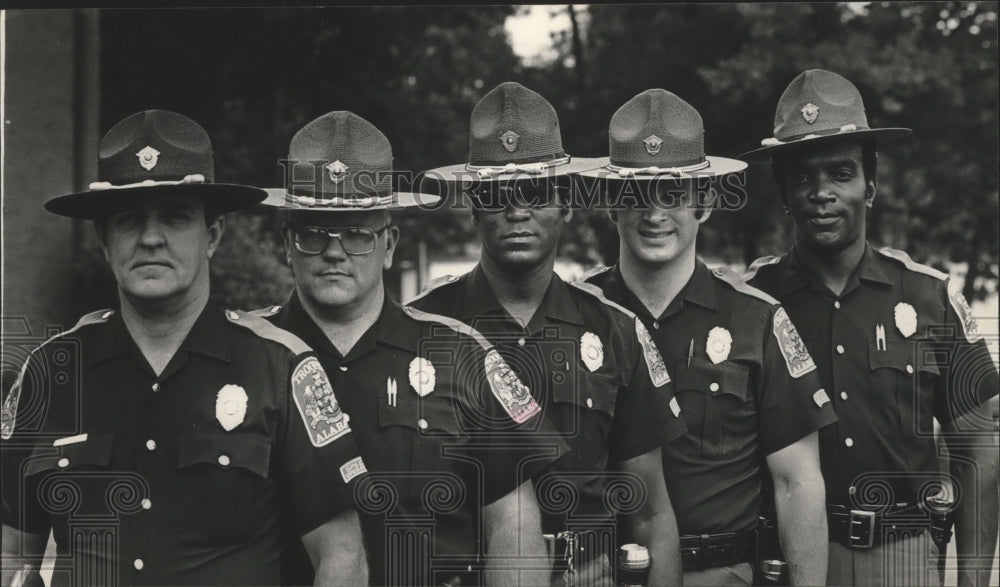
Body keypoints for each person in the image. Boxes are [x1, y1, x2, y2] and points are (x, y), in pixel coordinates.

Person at [0, 110, 368, 586]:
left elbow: (342, 554)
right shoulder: (51, 373)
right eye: (129, 220)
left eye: (175, 217)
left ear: (212, 236)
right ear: (105, 242)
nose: (151, 238)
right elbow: (11, 555)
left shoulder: (280, 369)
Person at [257, 110, 565, 586]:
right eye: (315, 232)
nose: (335, 252)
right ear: (287, 243)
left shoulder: (462, 355)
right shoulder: (246, 359)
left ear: (390, 244)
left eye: (358, 233)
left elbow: (512, 521)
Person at [411, 82, 686, 586]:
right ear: (473, 207)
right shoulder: (420, 331)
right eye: (496, 193)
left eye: (536, 191)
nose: (517, 212)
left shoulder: (617, 330)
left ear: (567, 205)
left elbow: (650, 513)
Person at [742, 69, 999, 586]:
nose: (821, 194)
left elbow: (979, 454)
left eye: (841, 174)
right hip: (786, 558)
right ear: (785, 195)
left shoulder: (930, 298)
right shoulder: (751, 303)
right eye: (802, 178)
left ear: (871, 185)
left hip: (904, 558)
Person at [578, 88, 837, 586]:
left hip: (724, 572)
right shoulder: (576, 315)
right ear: (610, 204)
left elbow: (797, 481)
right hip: (602, 570)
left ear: (707, 202)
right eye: (635, 194)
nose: (655, 214)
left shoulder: (756, 319)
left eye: (675, 193)